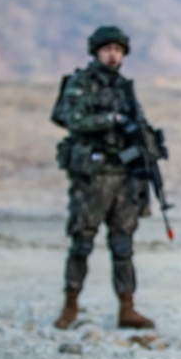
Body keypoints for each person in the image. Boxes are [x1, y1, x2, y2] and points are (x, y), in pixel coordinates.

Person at [51, 25, 159, 330]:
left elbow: (137, 125)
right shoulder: (81, 83)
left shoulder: (125, 87)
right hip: (92, 176)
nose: (113, 55)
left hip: (125, 176)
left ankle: (127, 308)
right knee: (82, 241)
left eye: (118, 50)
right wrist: (112, 119)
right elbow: (74, 120)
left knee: (123, 244)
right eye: (107, 49)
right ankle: (70, 305)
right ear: (96, 52)